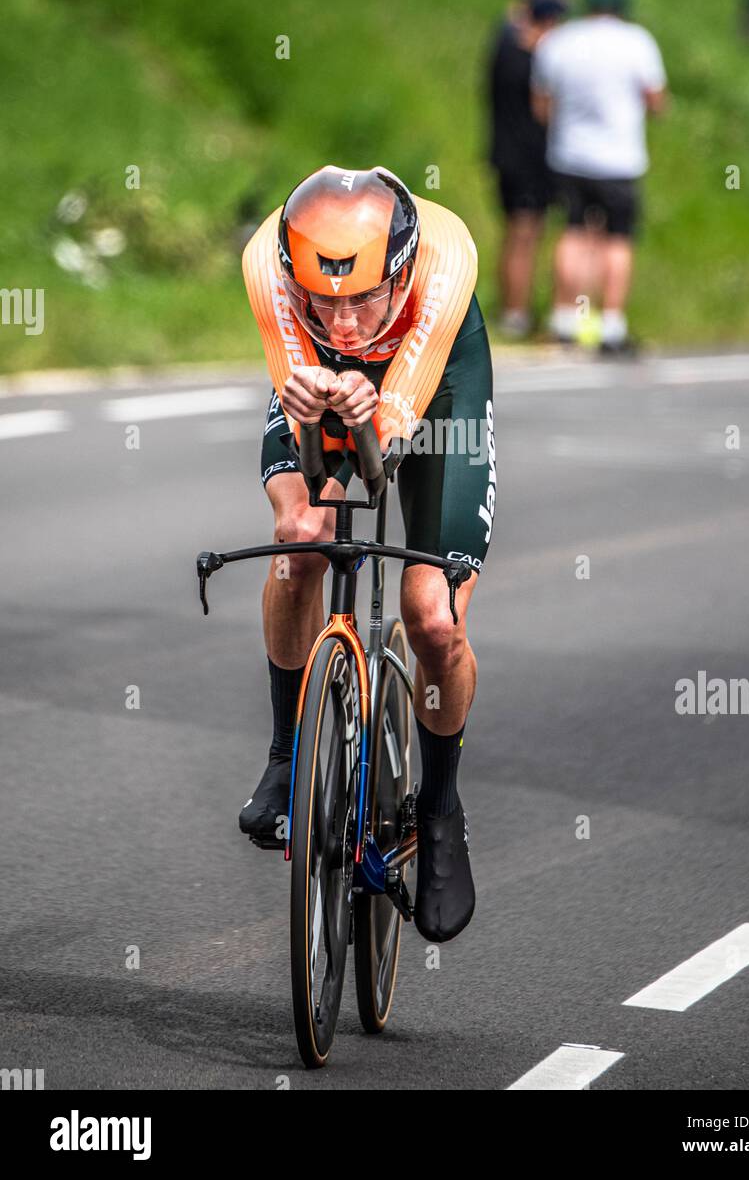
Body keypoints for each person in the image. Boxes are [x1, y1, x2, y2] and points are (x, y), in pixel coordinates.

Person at [240, 166, 495, 944]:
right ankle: (289, 753)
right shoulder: (266, 265)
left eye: (363, 299)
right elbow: (302, 407)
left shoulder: (444, 260)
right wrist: (327, 397)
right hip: (318, 386)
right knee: (301, 540)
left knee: (432, 618)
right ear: (294, 276)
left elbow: (394, 419)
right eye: (325, 301)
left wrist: (374, 412)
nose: (345, 323)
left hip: (437, 382)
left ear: (401, 269)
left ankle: (441, 807)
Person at [532, 0, 668, 353]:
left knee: (573, 233)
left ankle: (563, 318)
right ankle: (611, 324)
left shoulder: (561, 42)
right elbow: (657, 101)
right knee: (618, 240)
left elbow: (541, 105)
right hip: (619, 159)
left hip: (570, 155)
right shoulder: (637, 42)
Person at [487, 0, 570, 338]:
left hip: (507, 153)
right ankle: (515, 313)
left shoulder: (505, 41)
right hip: (526, 157)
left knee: (519, 234)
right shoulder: (524, 50)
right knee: (524, 234)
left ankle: (515, 310)